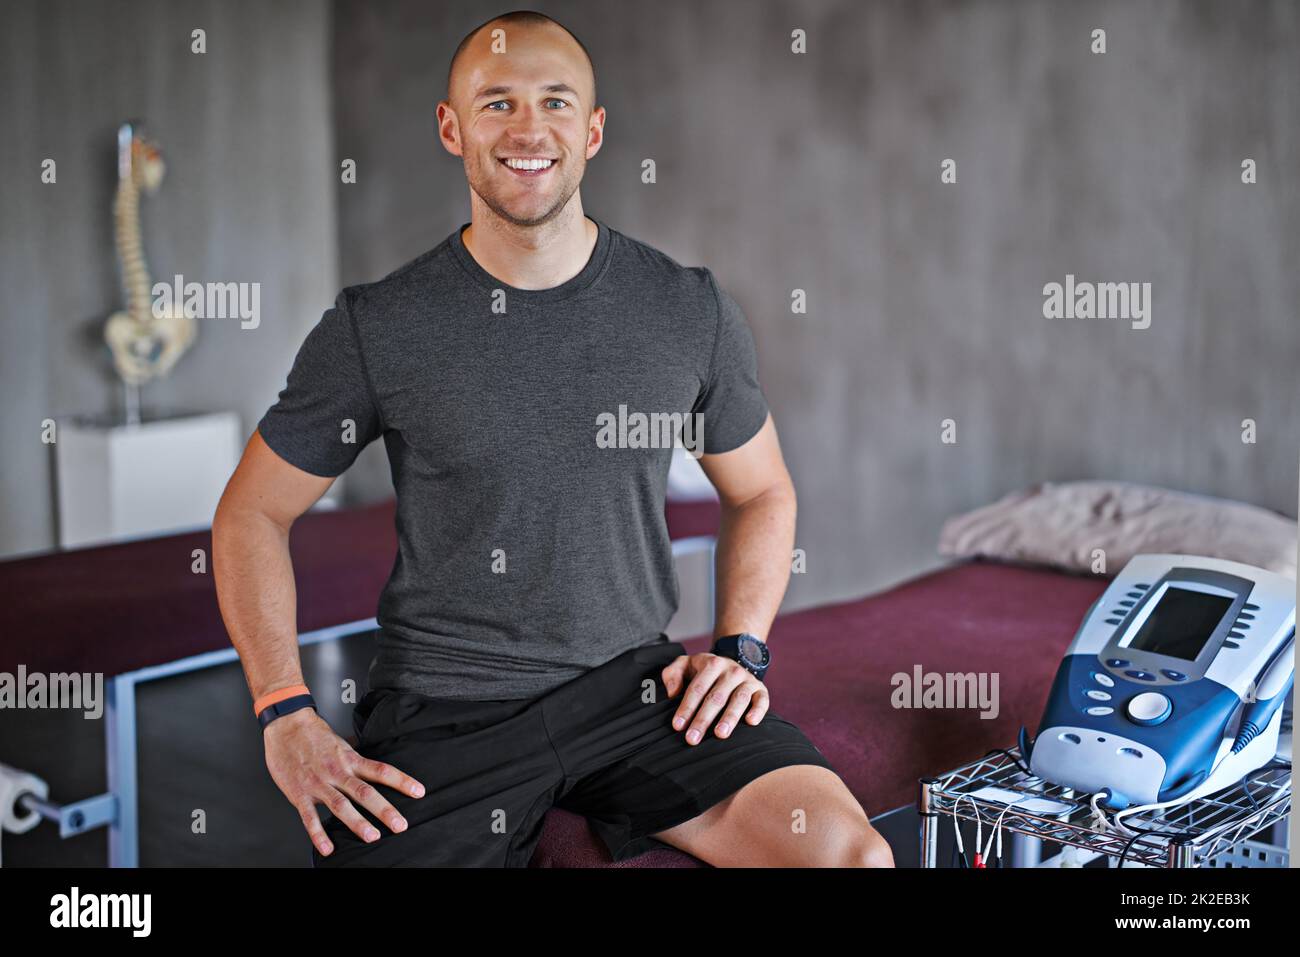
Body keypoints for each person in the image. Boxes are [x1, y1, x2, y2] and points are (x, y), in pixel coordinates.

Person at [213, 9, 893, 868]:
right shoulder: (378, 326)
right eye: (497, 103)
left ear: (594, 130)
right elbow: (250, 515)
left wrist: (740, 649)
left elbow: (761, 490)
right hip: (445, 711)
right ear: (451, 129)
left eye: (556, 102)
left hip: (639, 693)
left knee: (850, 858)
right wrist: (283, 711)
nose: (528, 129)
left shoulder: (687, 308)